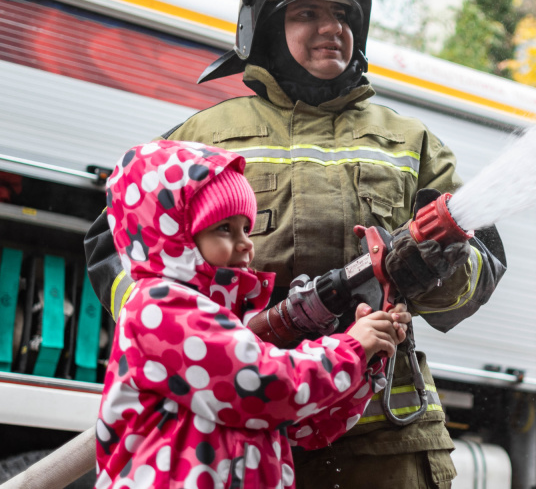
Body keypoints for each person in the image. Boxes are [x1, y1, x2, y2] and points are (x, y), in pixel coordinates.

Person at [84, 0, 507, 487]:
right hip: (237, 426)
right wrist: (176, 333)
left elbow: (483, 264)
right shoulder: (203, 135)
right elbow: (115, 244)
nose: (332, 28)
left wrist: (437, 272)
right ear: (263, 29)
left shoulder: (412, 143)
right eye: (306, 12)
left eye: (343, 14)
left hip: (382, 443)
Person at [95, 139, 410, 488]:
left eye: (246, 227)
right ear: (177, 237)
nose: (246, 242)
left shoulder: (223, 321)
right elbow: (265, 387)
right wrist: (351, 348)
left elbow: (303, 427)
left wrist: (368, 356)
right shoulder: (160, 307)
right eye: (224, 229)